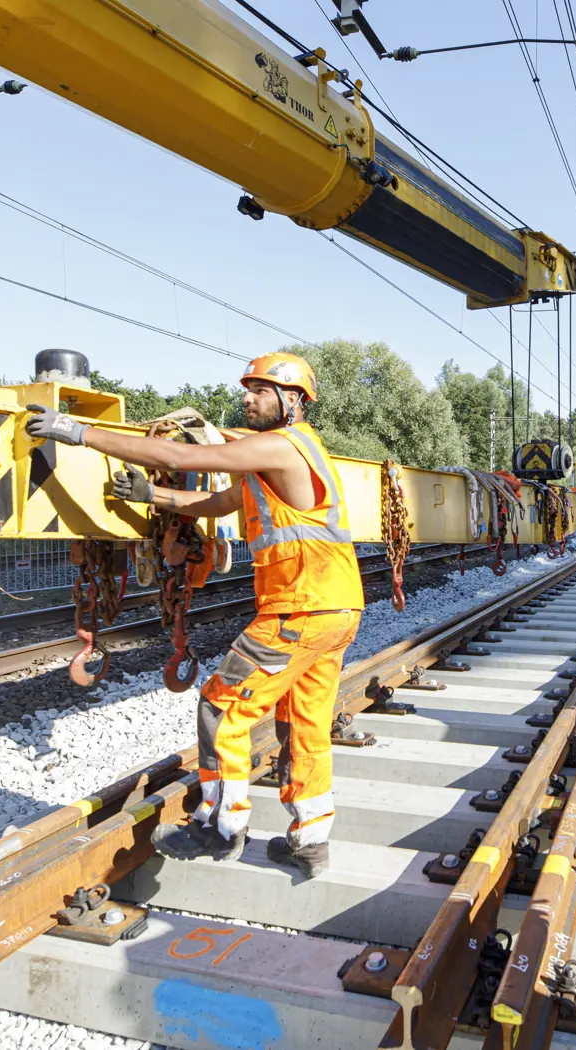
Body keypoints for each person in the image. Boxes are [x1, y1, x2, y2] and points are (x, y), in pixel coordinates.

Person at [26, 350, 361, 879]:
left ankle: (221, 828)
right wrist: (154, 495)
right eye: (246, 387)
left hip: (301, 605)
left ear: (293, 399)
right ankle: (311, 841)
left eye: (260, 389)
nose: (247, 396)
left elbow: (182, 458)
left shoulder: (281, 445)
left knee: (222, 707)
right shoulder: (275, 458)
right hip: (336, 607)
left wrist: (78, 432)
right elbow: (223, 502)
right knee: (303, 723)